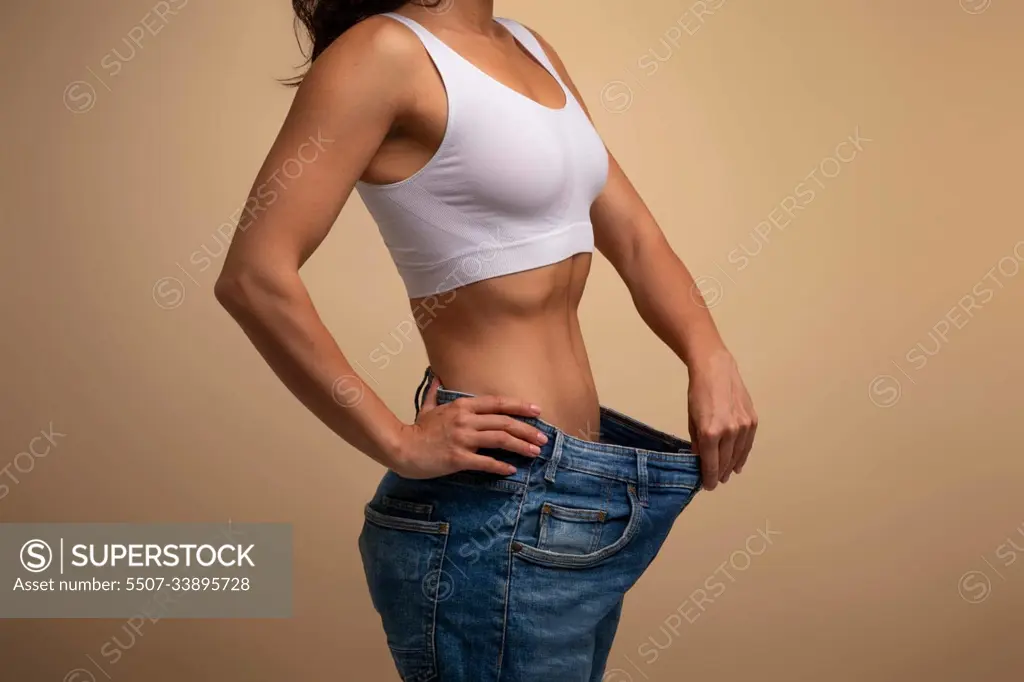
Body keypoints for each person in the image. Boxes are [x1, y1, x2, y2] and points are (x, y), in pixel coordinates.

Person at [214, 1, 758, 679]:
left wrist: (709, 353)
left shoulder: (530, 48)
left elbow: (635, 237)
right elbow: (253, 276)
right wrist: (397, 440)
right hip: (494, 511)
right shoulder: (381, 54)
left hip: (582, 495)